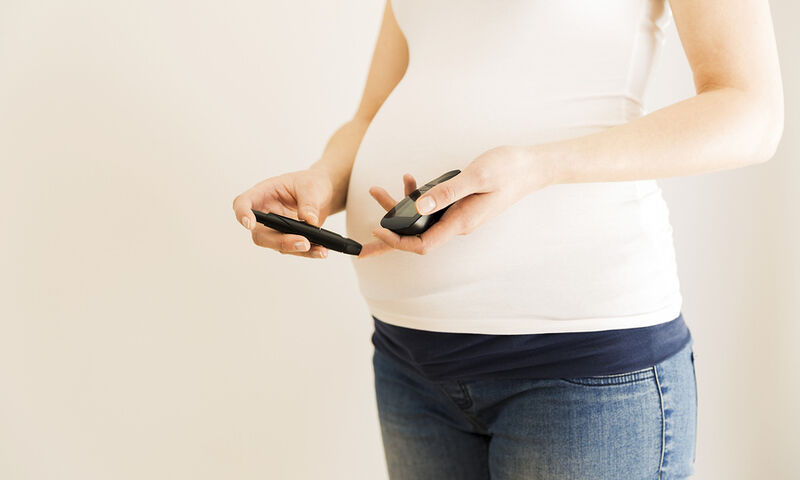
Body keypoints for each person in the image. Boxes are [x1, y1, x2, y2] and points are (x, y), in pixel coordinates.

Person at [233, 0, 783, 478]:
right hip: (409, 362)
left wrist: (539, 166)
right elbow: (373, 112)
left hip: (581, 368)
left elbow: (749, 112)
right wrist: (322, 179)